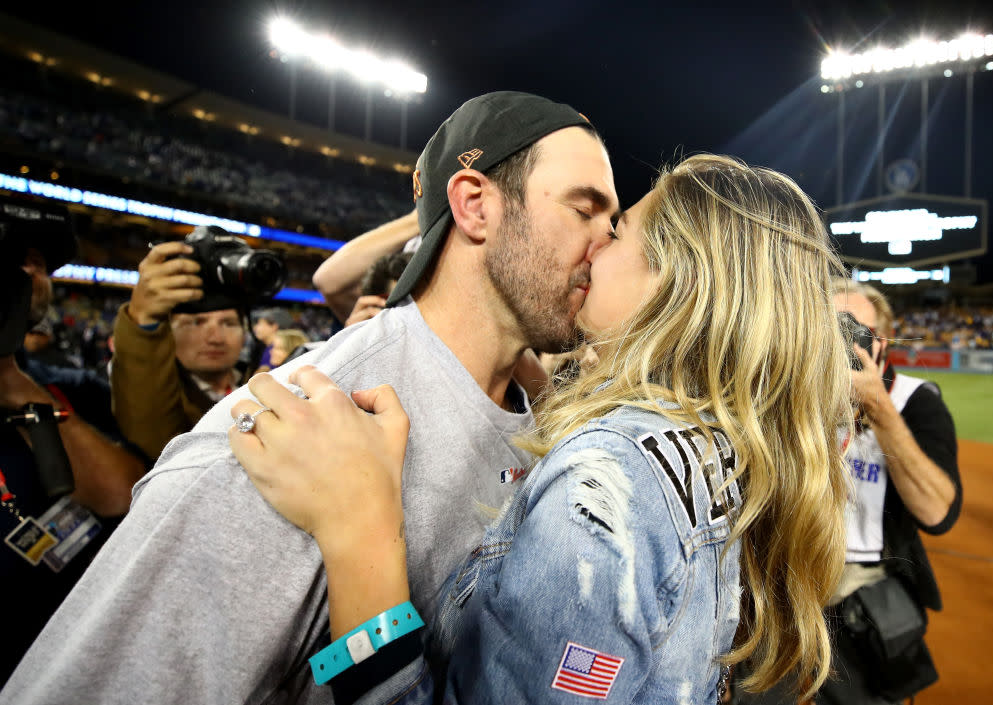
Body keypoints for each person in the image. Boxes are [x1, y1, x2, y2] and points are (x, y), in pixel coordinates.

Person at [1, 91, 620, 704]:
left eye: (613, 221)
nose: (608, 242)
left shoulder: (542, 417)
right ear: (475, 206)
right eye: (584, 209)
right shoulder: (297, 426)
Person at [229, 154, 854, 704]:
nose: (595, 244)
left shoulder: (606, 482)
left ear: (674, 282)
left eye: (619, 230)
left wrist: (359, 531)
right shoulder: (709, 439)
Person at [734, 279, 962, 705]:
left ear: (883, 344)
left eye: (857, 332)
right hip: (785, 585)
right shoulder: (784, 395)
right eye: (831, 328)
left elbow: (938, 514)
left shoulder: (914, 400)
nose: (842, 343)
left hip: (862, 594)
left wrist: (879, 408)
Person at [0, 200, 148, 686]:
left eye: (34, 262)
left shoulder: (73, 388)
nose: (20, 274)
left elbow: (127, 500)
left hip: (80, 665)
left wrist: (12, 382)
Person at [108, 242, 249, 461]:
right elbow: (154, 440)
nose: (215, 338)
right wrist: (143, 319)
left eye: (228, 323)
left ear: (246, 334)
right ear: (169, 334)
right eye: (195, 323)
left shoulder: (269, 379)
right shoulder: (159, 394)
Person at [253, 308, 296, 373]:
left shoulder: (273, 353)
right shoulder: (267, 348)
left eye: (260, 323)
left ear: (274, 326)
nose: (255, 328)